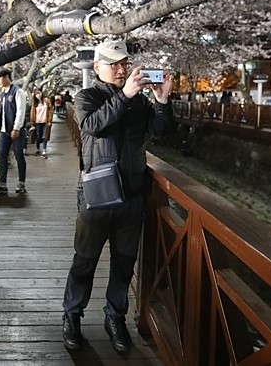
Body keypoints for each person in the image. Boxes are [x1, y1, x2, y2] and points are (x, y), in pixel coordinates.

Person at [61, 40, 174, 352]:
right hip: (97, 194)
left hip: (133, 194)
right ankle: (72, 315)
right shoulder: (86, 97)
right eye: (114, 64)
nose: (122, 69)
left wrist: (162, 101)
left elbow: (162, 131)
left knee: (124, 264)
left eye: (124, 63)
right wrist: (125, 96)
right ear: (97, 68)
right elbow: (93, 125)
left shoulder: (138, 101)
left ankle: (115, 318)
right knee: (85, 260)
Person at [0, 68, 27, 195]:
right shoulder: (2, 94)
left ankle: (21, 183)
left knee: (19, 156)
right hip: (4, 131)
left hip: (15, 131)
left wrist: (16, 128)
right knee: (1, 157)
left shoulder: (18, 92)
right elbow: (1, 113)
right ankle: (2, 185)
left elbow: (20, 112)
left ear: (7, 77)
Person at [30, 89, 53, 158]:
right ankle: (38, 149)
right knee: (38, 137)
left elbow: (50, 111)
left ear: (41, 93)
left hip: (45, 122)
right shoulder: (34, 103)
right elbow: (32, 113)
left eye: (39, 93)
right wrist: (32, 123)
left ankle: (44, 151)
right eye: (36, 94)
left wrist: (49, 121)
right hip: (37, 122)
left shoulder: (46, 101)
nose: (38, 95)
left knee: (44, 136)